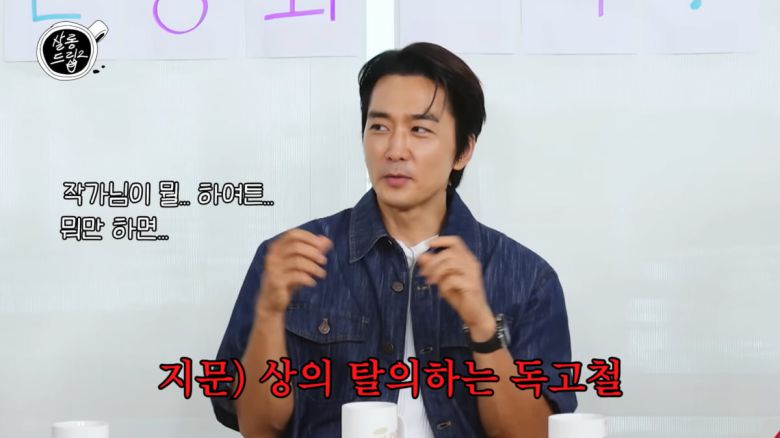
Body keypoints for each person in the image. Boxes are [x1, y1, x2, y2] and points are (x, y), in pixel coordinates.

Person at [211, 42, 576, 438]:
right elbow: (257, 427)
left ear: (463, 151)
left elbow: (536, 433)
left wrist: (483, 328)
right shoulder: (292, 257)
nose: (395, 149)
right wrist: (268, 315)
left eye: (420, 130)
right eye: (379, 127)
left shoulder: (526, 277)